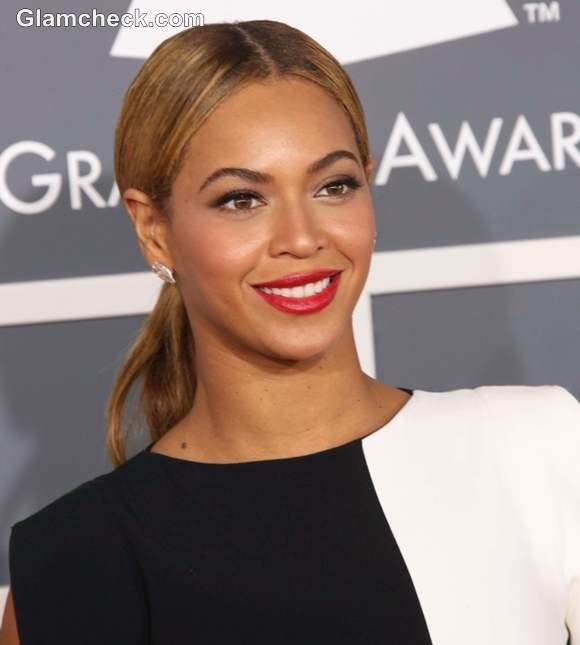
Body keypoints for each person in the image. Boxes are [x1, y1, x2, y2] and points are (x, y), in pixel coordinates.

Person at [3, 19, 580, 645]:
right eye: (241, 200)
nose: (303, 238)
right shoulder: (75, 562)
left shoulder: (536, 448)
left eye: (334, 186)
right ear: (154, 229)